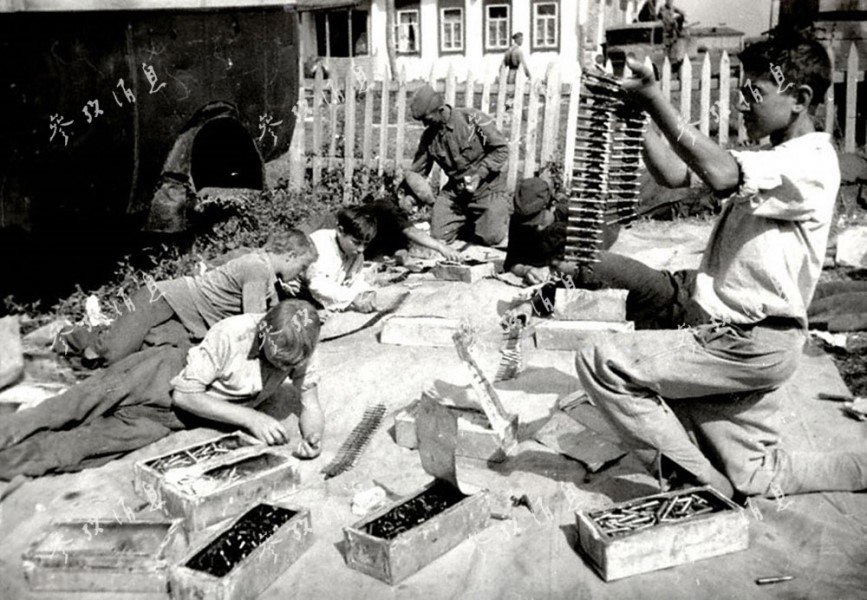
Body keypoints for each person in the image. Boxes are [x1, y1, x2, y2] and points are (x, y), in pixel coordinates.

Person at [574, 31, 867, 500]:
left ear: (800, 99)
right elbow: (675, 175)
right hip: (729, 325)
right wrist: (638, 116)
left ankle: (702, 487)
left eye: (756, 93)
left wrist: (655, 97)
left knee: (601, 359)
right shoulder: (775, 156)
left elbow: (721, 173)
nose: (744, 104)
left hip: (749, 341)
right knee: (755, 475)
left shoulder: (812, 160)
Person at [0, 300, 324, 480]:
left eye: (290, 364)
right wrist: (250, 418)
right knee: (72, 406)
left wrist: (314, 437)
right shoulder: (233, 333)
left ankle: (11, 464)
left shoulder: (299, 346)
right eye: (278, 359)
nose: (284, 368)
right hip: (157, 375)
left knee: (84, 447)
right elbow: (186, 393)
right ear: (264, 333)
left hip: (175, 420)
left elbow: (310, 403)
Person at [59, 229, 318, 366]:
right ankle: (75, 334)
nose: (301, 274)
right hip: (162, 298)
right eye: (303, 267)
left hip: (187, 318)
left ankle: (106, 328)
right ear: (290, 256)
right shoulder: (257, 268)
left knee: (140, 354)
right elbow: (254, 322)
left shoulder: (270, 280)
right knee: (109, 353)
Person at [409, 84, 511, 247]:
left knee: (491, 238)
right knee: (439, 235)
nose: (424, 125)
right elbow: (418, 171)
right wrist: (409, 196)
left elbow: (501, 149)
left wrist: (480, 173)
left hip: (488, 189)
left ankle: (481, 220)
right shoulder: (429, 136)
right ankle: (470, 220)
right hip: (457, 193)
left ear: (440, 110)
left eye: (427, 120)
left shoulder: (473, 120)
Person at [359, 173, 463, 262]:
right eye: (413, 203)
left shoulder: (397, 209)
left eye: (419, 206)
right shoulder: (387, 208)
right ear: (400, 193)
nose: (415, 210)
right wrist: (441, 248)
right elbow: (411, 231)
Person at [298, 206, 379, 313]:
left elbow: (354, 279)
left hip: (324, 298)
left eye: (366, 244)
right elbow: (317, 285)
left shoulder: (356, 253)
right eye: (356, 242)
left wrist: (366, 292)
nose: (361, 249)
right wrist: (352, 298)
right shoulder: (320, 244)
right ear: (340, 231)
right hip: (298, 296)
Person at [657, 0, 686, 68]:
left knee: (673, 47)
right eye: (669, 1)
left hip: (672, 31)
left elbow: (680, 12)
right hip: (666, 30)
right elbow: (663, 17)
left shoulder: (672, 8)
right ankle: (667, 63)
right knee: (667, 48)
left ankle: (674, 63)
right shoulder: (662, 8)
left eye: (671, 1)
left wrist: (682, 14)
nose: (670, 2)